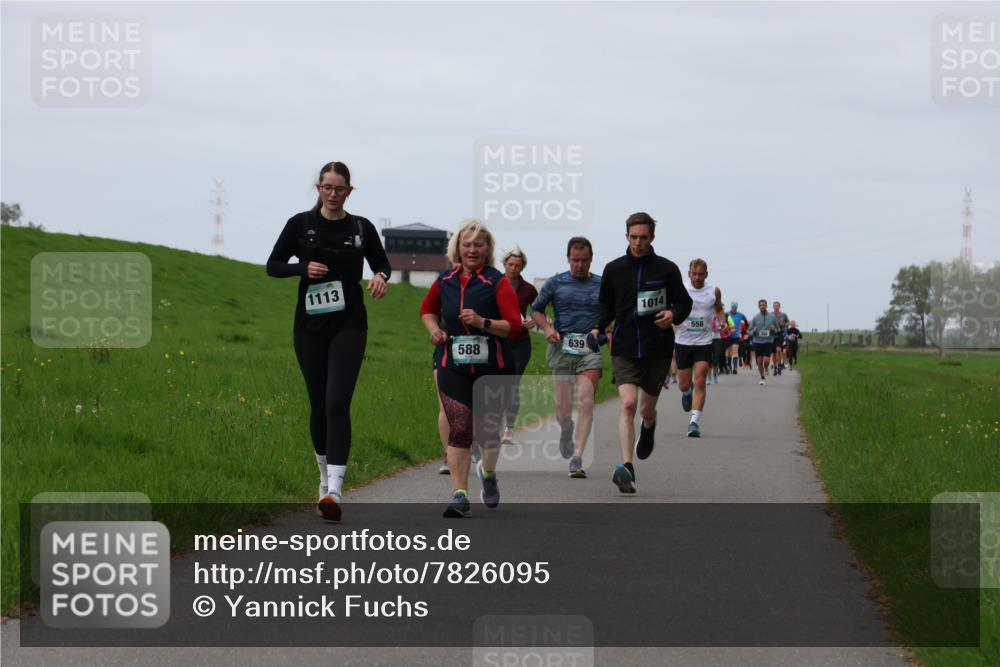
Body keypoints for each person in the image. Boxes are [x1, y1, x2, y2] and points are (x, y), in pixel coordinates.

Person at [266, 160, 391, 522]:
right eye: (327, 188)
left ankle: (336, 487)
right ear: (318, 188)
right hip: (308, 326)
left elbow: (382, 263)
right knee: (318, 403)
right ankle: (323, 478)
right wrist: (301, 268)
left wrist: (380, 277)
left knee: (338, 401)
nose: (333, 194)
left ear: (350, 191)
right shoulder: (300, 225)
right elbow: (273, 265)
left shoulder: (361, 227)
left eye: (340, 189)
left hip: (350, 322)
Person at [420, 219, 522, 517]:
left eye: (478, 244)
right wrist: (434, 329)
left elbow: (514, 328)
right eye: (466, 244)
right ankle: (459, 494)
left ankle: (488, 475)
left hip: (494, 366)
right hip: (453, 364)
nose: (472, 250)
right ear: (457, 248)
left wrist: (483, 323)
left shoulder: (497, 281)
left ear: (487, 249)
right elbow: (427, 310)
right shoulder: (445, 280)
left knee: (489, 431)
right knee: (461, 426)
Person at [592, 212, 692, 494]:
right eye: (633, 237)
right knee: (627, 404)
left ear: (652, 238)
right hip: (624, 348)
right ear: (626, 236)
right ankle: (627, 468)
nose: (638, 242)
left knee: (645, 409)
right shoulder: (613, 270)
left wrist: (672, 314)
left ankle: (649, 425)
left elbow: (683, 303)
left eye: (643, 238)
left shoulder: (667, 269)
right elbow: (605, 308)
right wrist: (598, 328)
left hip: (657, 349)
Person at [531, 237, 604, 478]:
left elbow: (611, 313)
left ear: (591, 260)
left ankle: (577, 458)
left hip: (589, 351)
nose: (579, 265)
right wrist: (548, 329)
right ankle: (566, 430)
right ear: (568, 259)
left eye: (584, 261)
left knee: (586, 401)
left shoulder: (602, 285)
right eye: (575, 260)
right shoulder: (556, 282)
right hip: (562, 348)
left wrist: (602, 329)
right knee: (562, 410)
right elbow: (536, 310)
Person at [675, 259, 721, 437]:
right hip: (683, 342)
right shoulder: (681, 289)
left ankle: (694, 422)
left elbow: (718, 308)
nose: (697, 277)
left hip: (704, 342)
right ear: (689, 273)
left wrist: (722, 321)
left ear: (706, 275)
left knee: (701, 378)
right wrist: (673, 323)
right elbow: (673, 310)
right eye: (694, 274)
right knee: (684, 384)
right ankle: (687, 392)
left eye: (701, 274)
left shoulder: (713, 291)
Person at [501, 246, 539, 445]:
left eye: (518, 265)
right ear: (504, 264)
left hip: (520, 343)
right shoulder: (494, 284)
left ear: (522, 267)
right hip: (499, 340)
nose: (514, 268)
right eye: (510, 264)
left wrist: (533, 319)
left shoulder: (528, 289)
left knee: (513, 385)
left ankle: (509, 428)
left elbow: (539, 309)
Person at [750, 299, 779, 386]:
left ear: (766, 306)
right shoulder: (755, 317)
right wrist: (753, 330)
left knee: (766, 360)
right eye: (761, 305)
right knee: (759, 361)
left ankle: (766, 367)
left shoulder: (772, 317)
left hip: (768, 341)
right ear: (759, 306)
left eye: (764, 305)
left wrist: (774, 329)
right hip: (757, 341)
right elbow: (750, 330)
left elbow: (778, 329)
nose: (762, 306)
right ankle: (762, 378)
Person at [709, 299, 729, 385]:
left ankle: (715, 375)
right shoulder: (708, 315)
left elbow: (725, 326)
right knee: (708, 360)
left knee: (716, 360)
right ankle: (709, 378)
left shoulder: (721, 316)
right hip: (707, 339)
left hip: (717, 339)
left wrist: (722, 327)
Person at [725, 302, 747, 374]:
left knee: (735, 350)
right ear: (731, 307)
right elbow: (722, 323)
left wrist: (745, 330)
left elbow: (746, 322)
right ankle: (729, 366)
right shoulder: (726, 314)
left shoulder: (740, 315)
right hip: (727, 335)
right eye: (732, 307)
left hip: (736, 336)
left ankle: (734, 367)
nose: (734, 309)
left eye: (735, 308)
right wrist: (728, 329)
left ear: (737, 308)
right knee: (728, 352)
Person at [771, 301, 791, 376]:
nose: (776, 307)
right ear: (773, 307)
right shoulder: (770, 314)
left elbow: (788, 323)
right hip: (772, 335)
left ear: (779, 307)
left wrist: (785, 324)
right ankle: (775, 367)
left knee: (778, 350)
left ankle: (779, 366)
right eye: (774, 306)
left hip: (780, 334)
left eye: (777, 306)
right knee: (773, 353)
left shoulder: (783, 315)